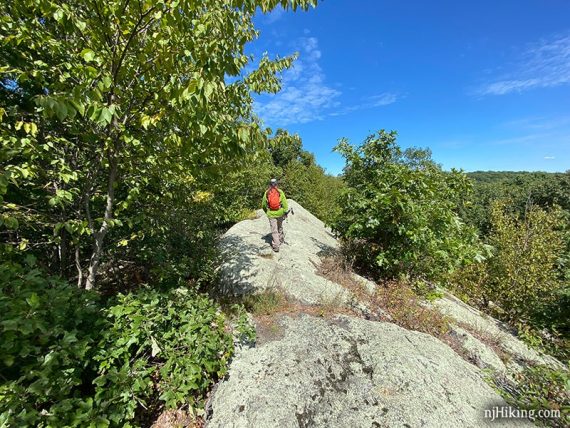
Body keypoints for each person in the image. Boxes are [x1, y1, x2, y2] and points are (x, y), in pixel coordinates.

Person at [262, 178, 288, 252]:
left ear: (270, 184)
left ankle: (276, 246)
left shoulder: (267, 193)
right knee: (280, 226)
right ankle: (281, 238)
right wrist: (285, 211)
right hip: (280, 212)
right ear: (277, 184)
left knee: (274, 230)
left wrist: (267, 211)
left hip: (271, 213)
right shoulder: (280, 192)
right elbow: (285, 203)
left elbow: (263, 205)